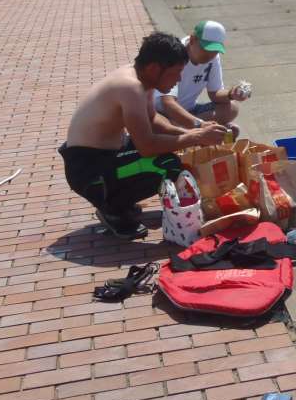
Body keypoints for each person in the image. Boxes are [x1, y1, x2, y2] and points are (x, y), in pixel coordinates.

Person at [60, 32, 227, 239]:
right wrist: (196, 138)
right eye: (176, 72)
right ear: (154, 68)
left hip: (101, 157)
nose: (179, 79)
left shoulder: (140, 78)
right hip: (88, 171)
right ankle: (113, 209)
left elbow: (153, 119)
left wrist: (194, 132)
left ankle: (118, 200)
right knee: (168, 163)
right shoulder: (130, 88)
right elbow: (147, 146)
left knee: (168, 152)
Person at [154, 20, 248, 138]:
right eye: (206, 49)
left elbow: (215, 93)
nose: (210, 55)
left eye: (215, 51)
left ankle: (184, 130)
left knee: (232, 107)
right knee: (162, 123)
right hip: (164, 113)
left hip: (191, 110)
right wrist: (201, 125)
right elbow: (167, 103)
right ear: (192, 40)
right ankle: (188, 131)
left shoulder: (213, 57)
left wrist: (231, 94)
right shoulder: (175, 54)